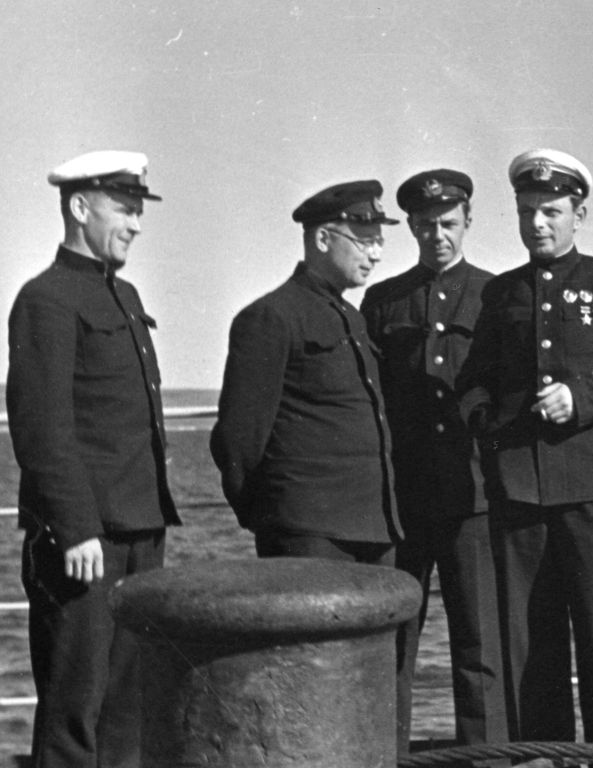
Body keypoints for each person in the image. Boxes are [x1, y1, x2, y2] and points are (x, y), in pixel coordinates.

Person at [458, 149, 593, 748]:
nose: (537, 223)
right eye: (527, 211)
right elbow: (474, 381)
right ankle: (542, 759)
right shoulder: (501, 293)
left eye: (550, 211)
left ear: (580, 214)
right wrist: (489, 424)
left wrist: (582, 397)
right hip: (520, 493)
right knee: (530, 649)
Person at [7, 150, 180, 768]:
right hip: (85, 541)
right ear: (80, 208)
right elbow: (42, 428)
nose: (135, 224)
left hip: (138, 531)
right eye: (124, 209)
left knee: (127, 710)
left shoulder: (123, 295)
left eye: (138, 211)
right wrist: (77, 528)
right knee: (74, 710)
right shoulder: (46, 300)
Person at [361, 169, 507, 753]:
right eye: (425, 226)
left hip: (474, 496)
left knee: (480, 645)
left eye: (448, 224)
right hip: (406, 499)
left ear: (468, 221)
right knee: (396, 639)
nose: (437, 236)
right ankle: (388, 757)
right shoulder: (383, 301)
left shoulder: (495, 294)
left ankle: (487, 761)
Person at [210, 180, 403, 564]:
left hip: (374, 528)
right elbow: (238, 438)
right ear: (323, 239)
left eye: (379, 241)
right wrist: (273, 516)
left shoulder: (353, 319)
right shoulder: (272, 316)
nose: (376, 254)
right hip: (307, 532)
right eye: (364, 241)